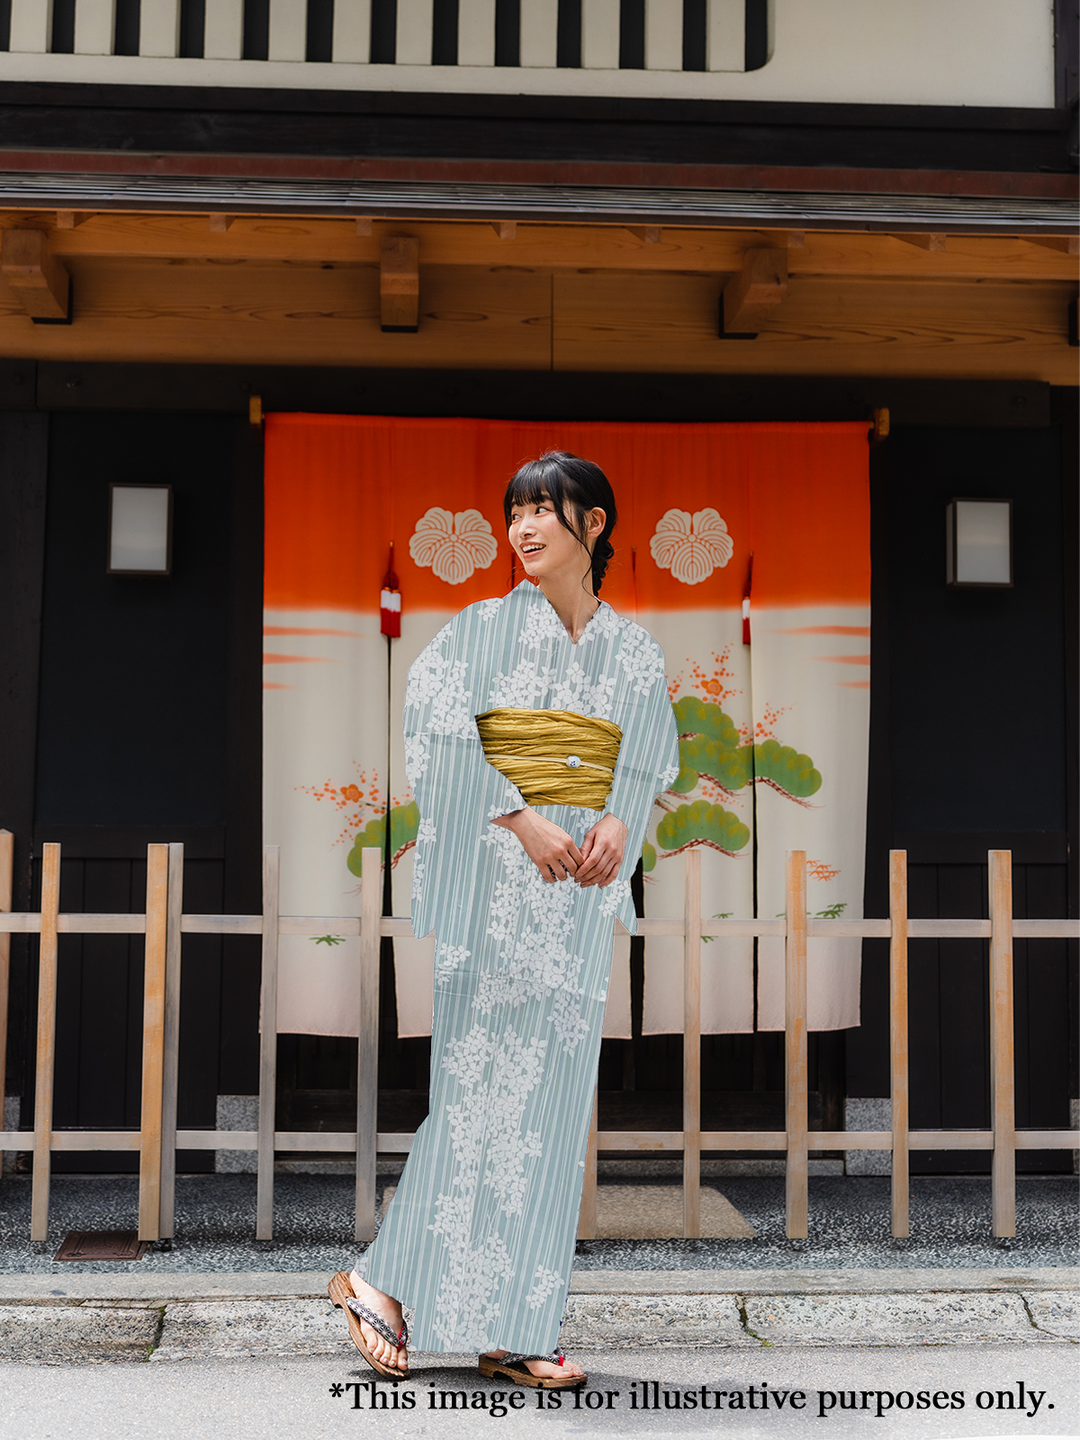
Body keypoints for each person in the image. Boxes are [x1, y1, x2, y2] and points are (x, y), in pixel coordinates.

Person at [329, 451, 679, 1388]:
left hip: (573, 901)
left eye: (544, 512)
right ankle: (379, 1282)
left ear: (593, 525)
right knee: (480, 1096)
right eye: (515, 512)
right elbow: (433, 729)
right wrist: (524, 818)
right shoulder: (481, 631)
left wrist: (614, 821)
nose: (523, 528)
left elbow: (647, 757)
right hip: (497, 887)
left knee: (552, 1113)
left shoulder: (633, 650)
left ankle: (515, 1324)